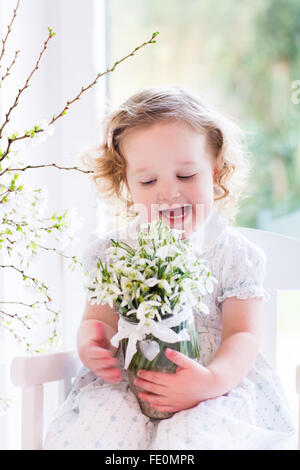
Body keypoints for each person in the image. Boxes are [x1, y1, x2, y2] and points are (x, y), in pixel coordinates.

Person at [44, 86, 296, 450]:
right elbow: (97, 320)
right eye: (148, 181)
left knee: (195, 439)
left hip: (211, 387)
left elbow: (243, 336)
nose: (169, 192)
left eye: (186, 176)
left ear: (216, 170)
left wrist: (210, 381)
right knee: (99, 434)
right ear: (127, 184)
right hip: (127, 384)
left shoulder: (234, 254)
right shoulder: (114, 253)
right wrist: (92, 341)